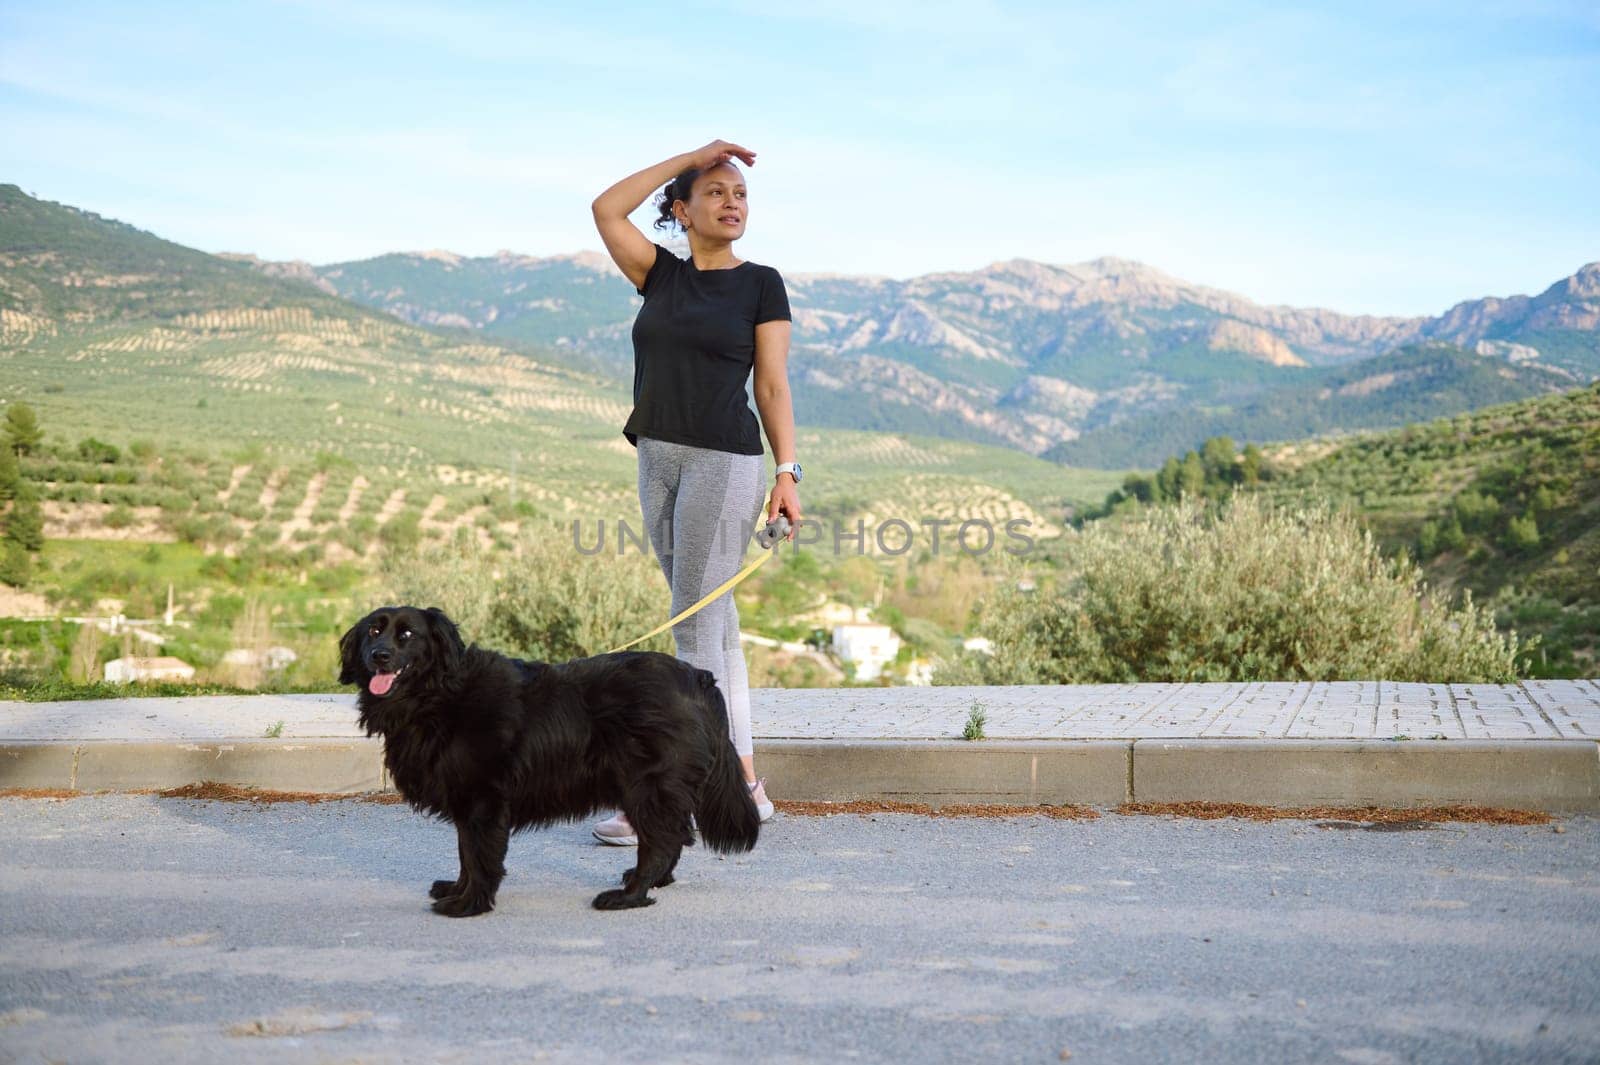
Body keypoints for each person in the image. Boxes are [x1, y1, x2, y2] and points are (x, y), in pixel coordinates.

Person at [589, 139, 801, 845]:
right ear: (681, 210)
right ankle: (741, 785)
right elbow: (605, 208)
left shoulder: (761, 283)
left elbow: (771, 385)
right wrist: (693, 153)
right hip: (657, 455)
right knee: (718, 626)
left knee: (692, 622)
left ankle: (676, 798)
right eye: (714, 190)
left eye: (739, 192)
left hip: (725, 460)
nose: (732, 201)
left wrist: (787, 472)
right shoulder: (661, 275)